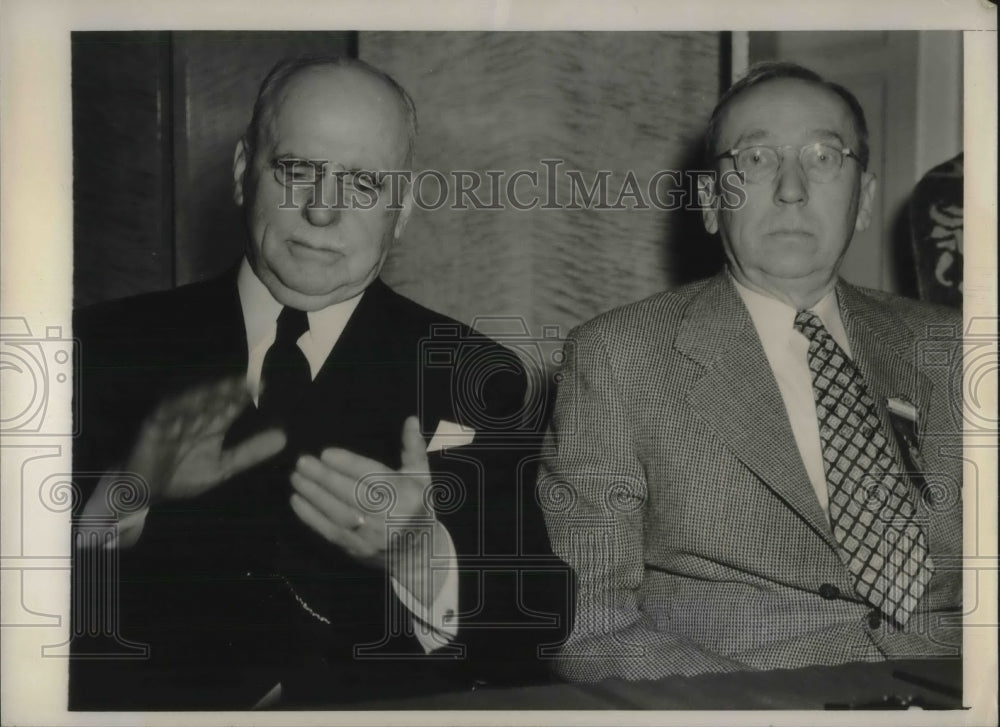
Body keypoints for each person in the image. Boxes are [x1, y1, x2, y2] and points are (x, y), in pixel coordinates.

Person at [70, 56, 571, 709]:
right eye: (297, 170)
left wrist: (421, 556)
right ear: (243, 172)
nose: (322, 211)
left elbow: (534, 630)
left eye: (363, 183)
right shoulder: (96, 347)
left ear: (404, 209)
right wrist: (123, 491)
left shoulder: (474, 374)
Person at [539, 61, 962, 682]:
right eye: (757, 159)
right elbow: (589, 623)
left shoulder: (953, 348)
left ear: (864, 199)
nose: (792, 188)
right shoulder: (617, 357)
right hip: (734, 698)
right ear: (712, 202)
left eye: (824, 157)